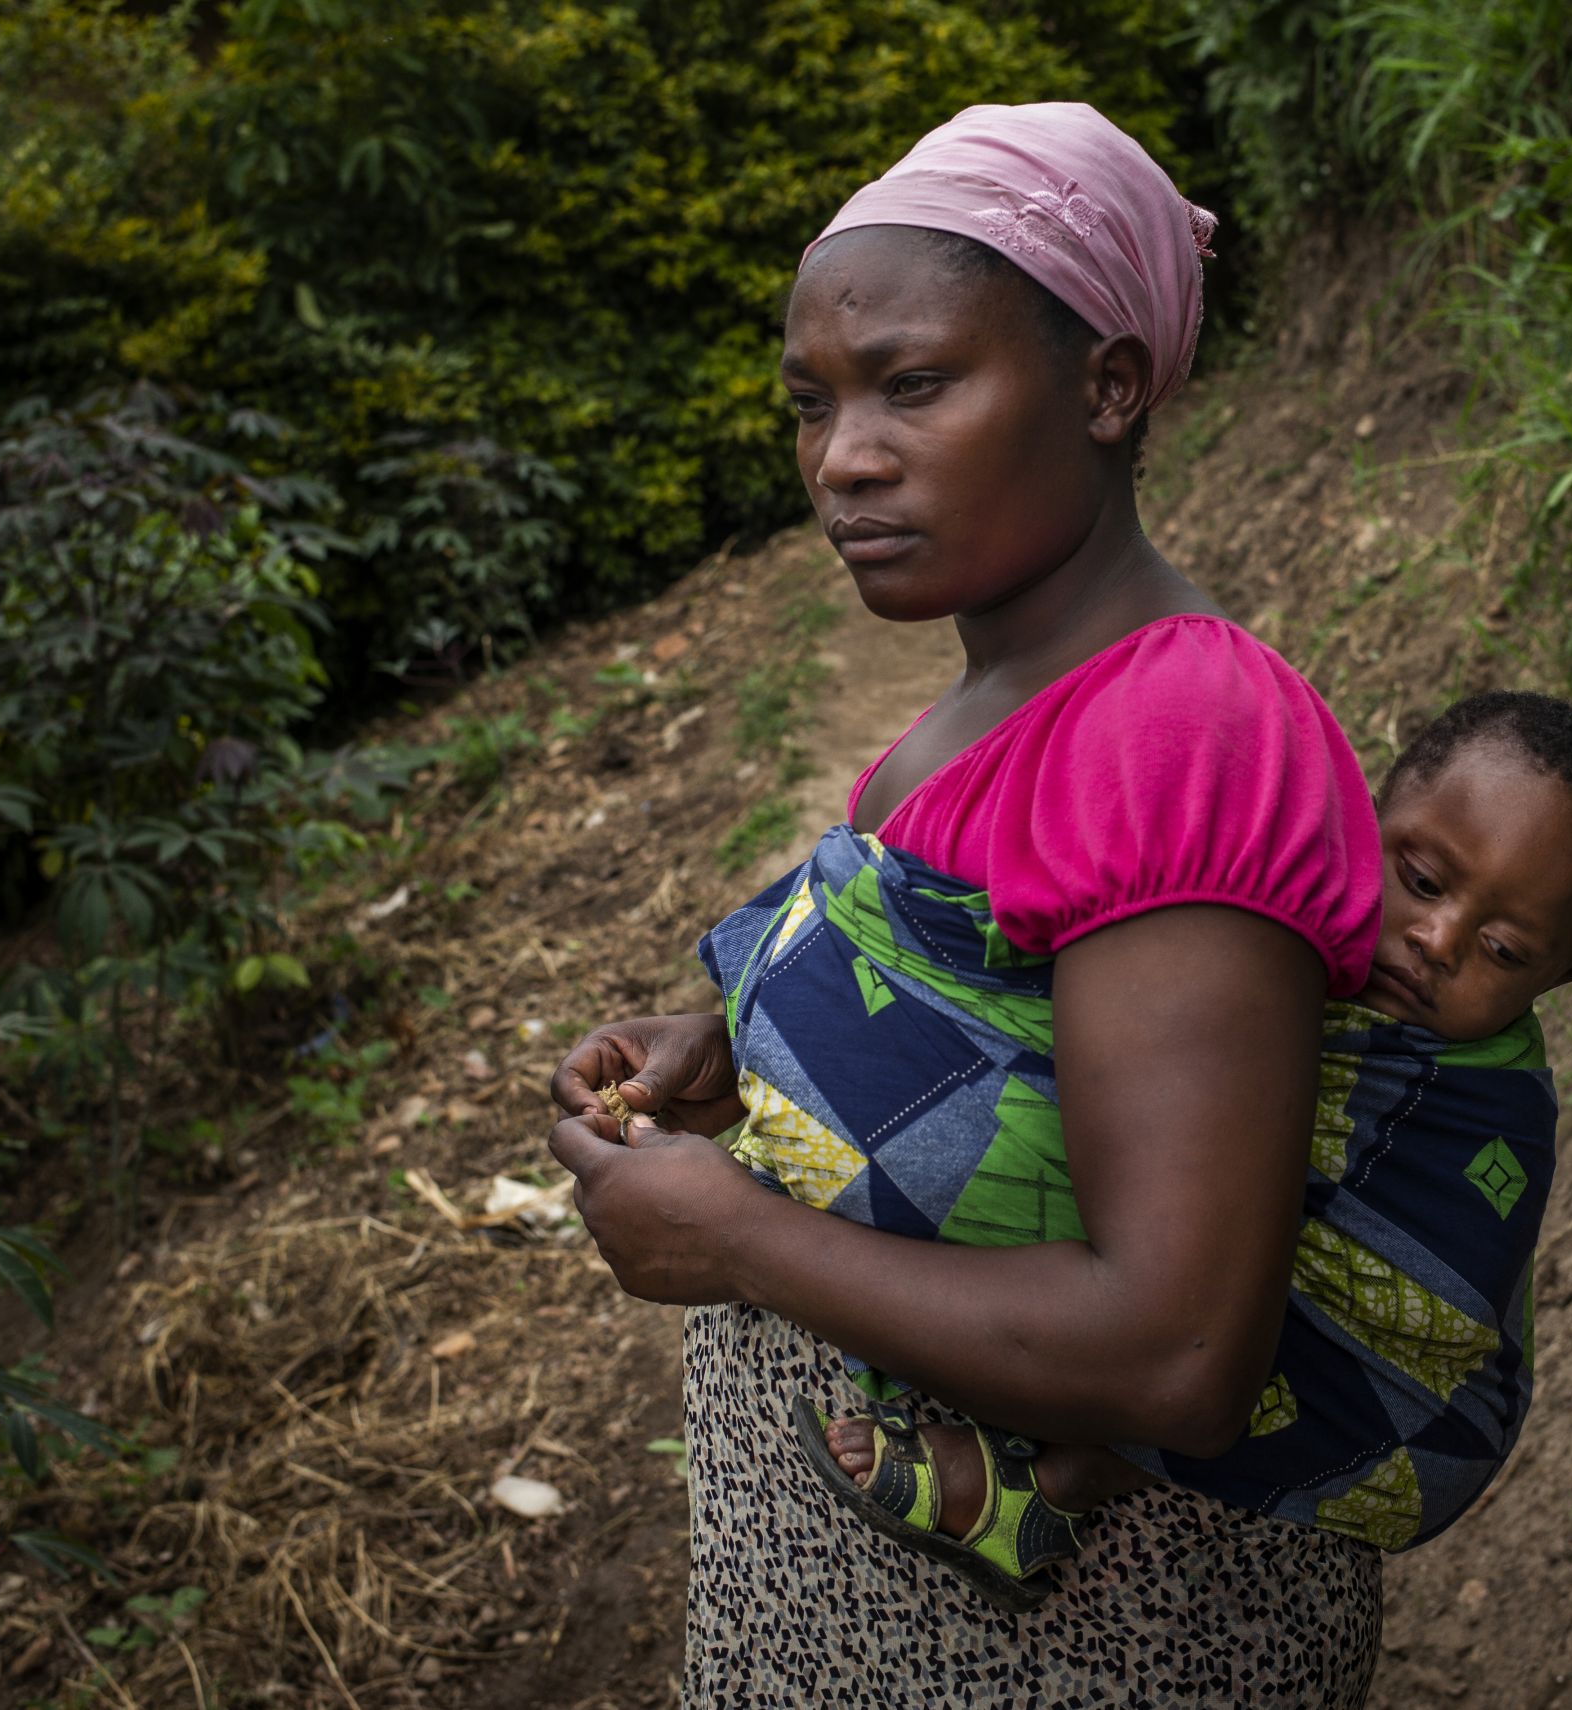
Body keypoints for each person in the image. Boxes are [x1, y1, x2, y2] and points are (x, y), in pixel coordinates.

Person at [550, 102, 1392, 1704]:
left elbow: (1178, 1352)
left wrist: (737, 1237)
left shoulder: (1177, 733)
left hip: (1071, 1641)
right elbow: (980, 1016)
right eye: (812, 403)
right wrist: (739, 1050)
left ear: (1107, 385)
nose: (842, 456)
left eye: (915, 385)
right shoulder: (995, 698)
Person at [765, 690, 1572, 1613]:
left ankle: (1062, 1481)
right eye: (1425, 882)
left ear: (1563, 978)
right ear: (1364, 813)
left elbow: (1432, 1289)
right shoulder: (1249, 910)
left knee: (1207, 1304)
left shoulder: (1484, 1105)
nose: (1439, 940)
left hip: (1409, 1417)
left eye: (1506, 950)